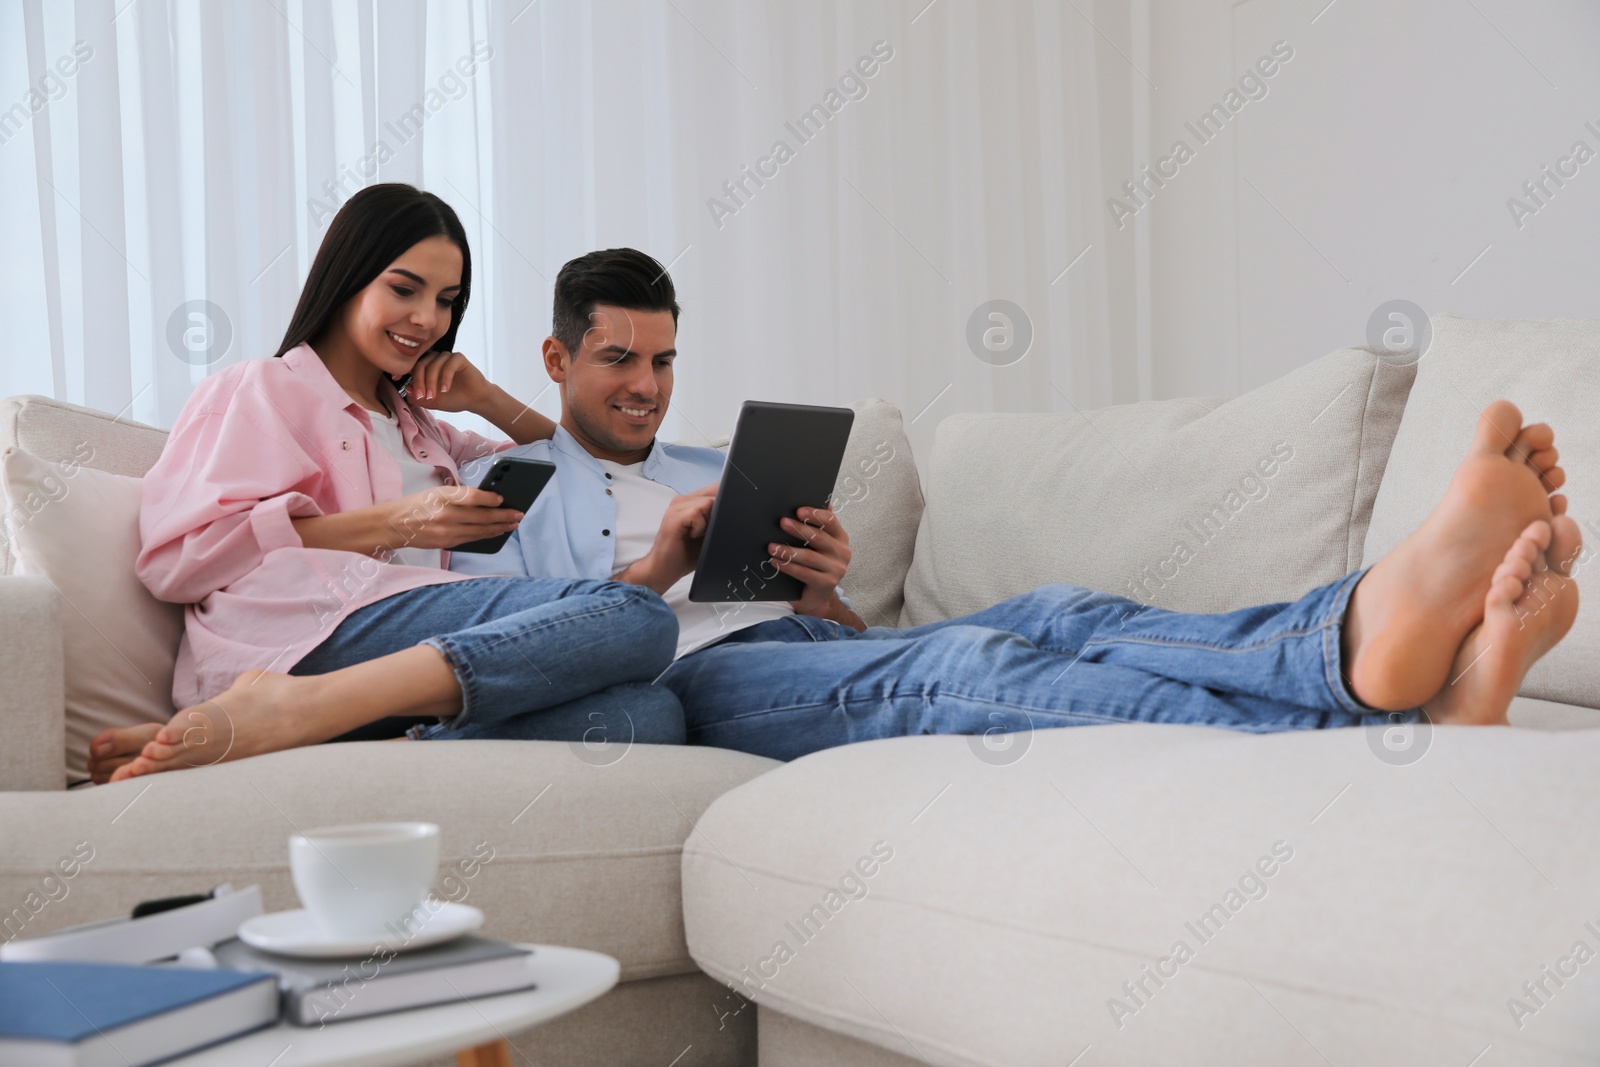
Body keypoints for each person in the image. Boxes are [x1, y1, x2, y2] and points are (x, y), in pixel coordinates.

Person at [444, 248, 1580, 761]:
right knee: (966, 674)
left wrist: (825, 584)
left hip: (799, 638)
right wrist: (655, 578)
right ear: (556, 355)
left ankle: (1355, 630)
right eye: (617, 362)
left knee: (1057, 612)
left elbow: (840, 637)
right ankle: (1381, 692)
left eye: (664, 360)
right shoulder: (507, 494)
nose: (645, 387)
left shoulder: (711, 456)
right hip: (697, 681)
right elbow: (506, 664)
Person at [89, 190, 683, 785]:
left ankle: (332, 748)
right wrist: (394, 522)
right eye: (404, 289)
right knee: (640, 615)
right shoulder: (261, 389)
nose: (427, 318)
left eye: (446, 300)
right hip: (302, 632)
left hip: (397, 667)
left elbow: (570, 461)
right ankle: (286, 705)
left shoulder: (422, 431)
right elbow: (177, 560)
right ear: (348, 279)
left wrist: (485, 398)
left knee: (645, 717)